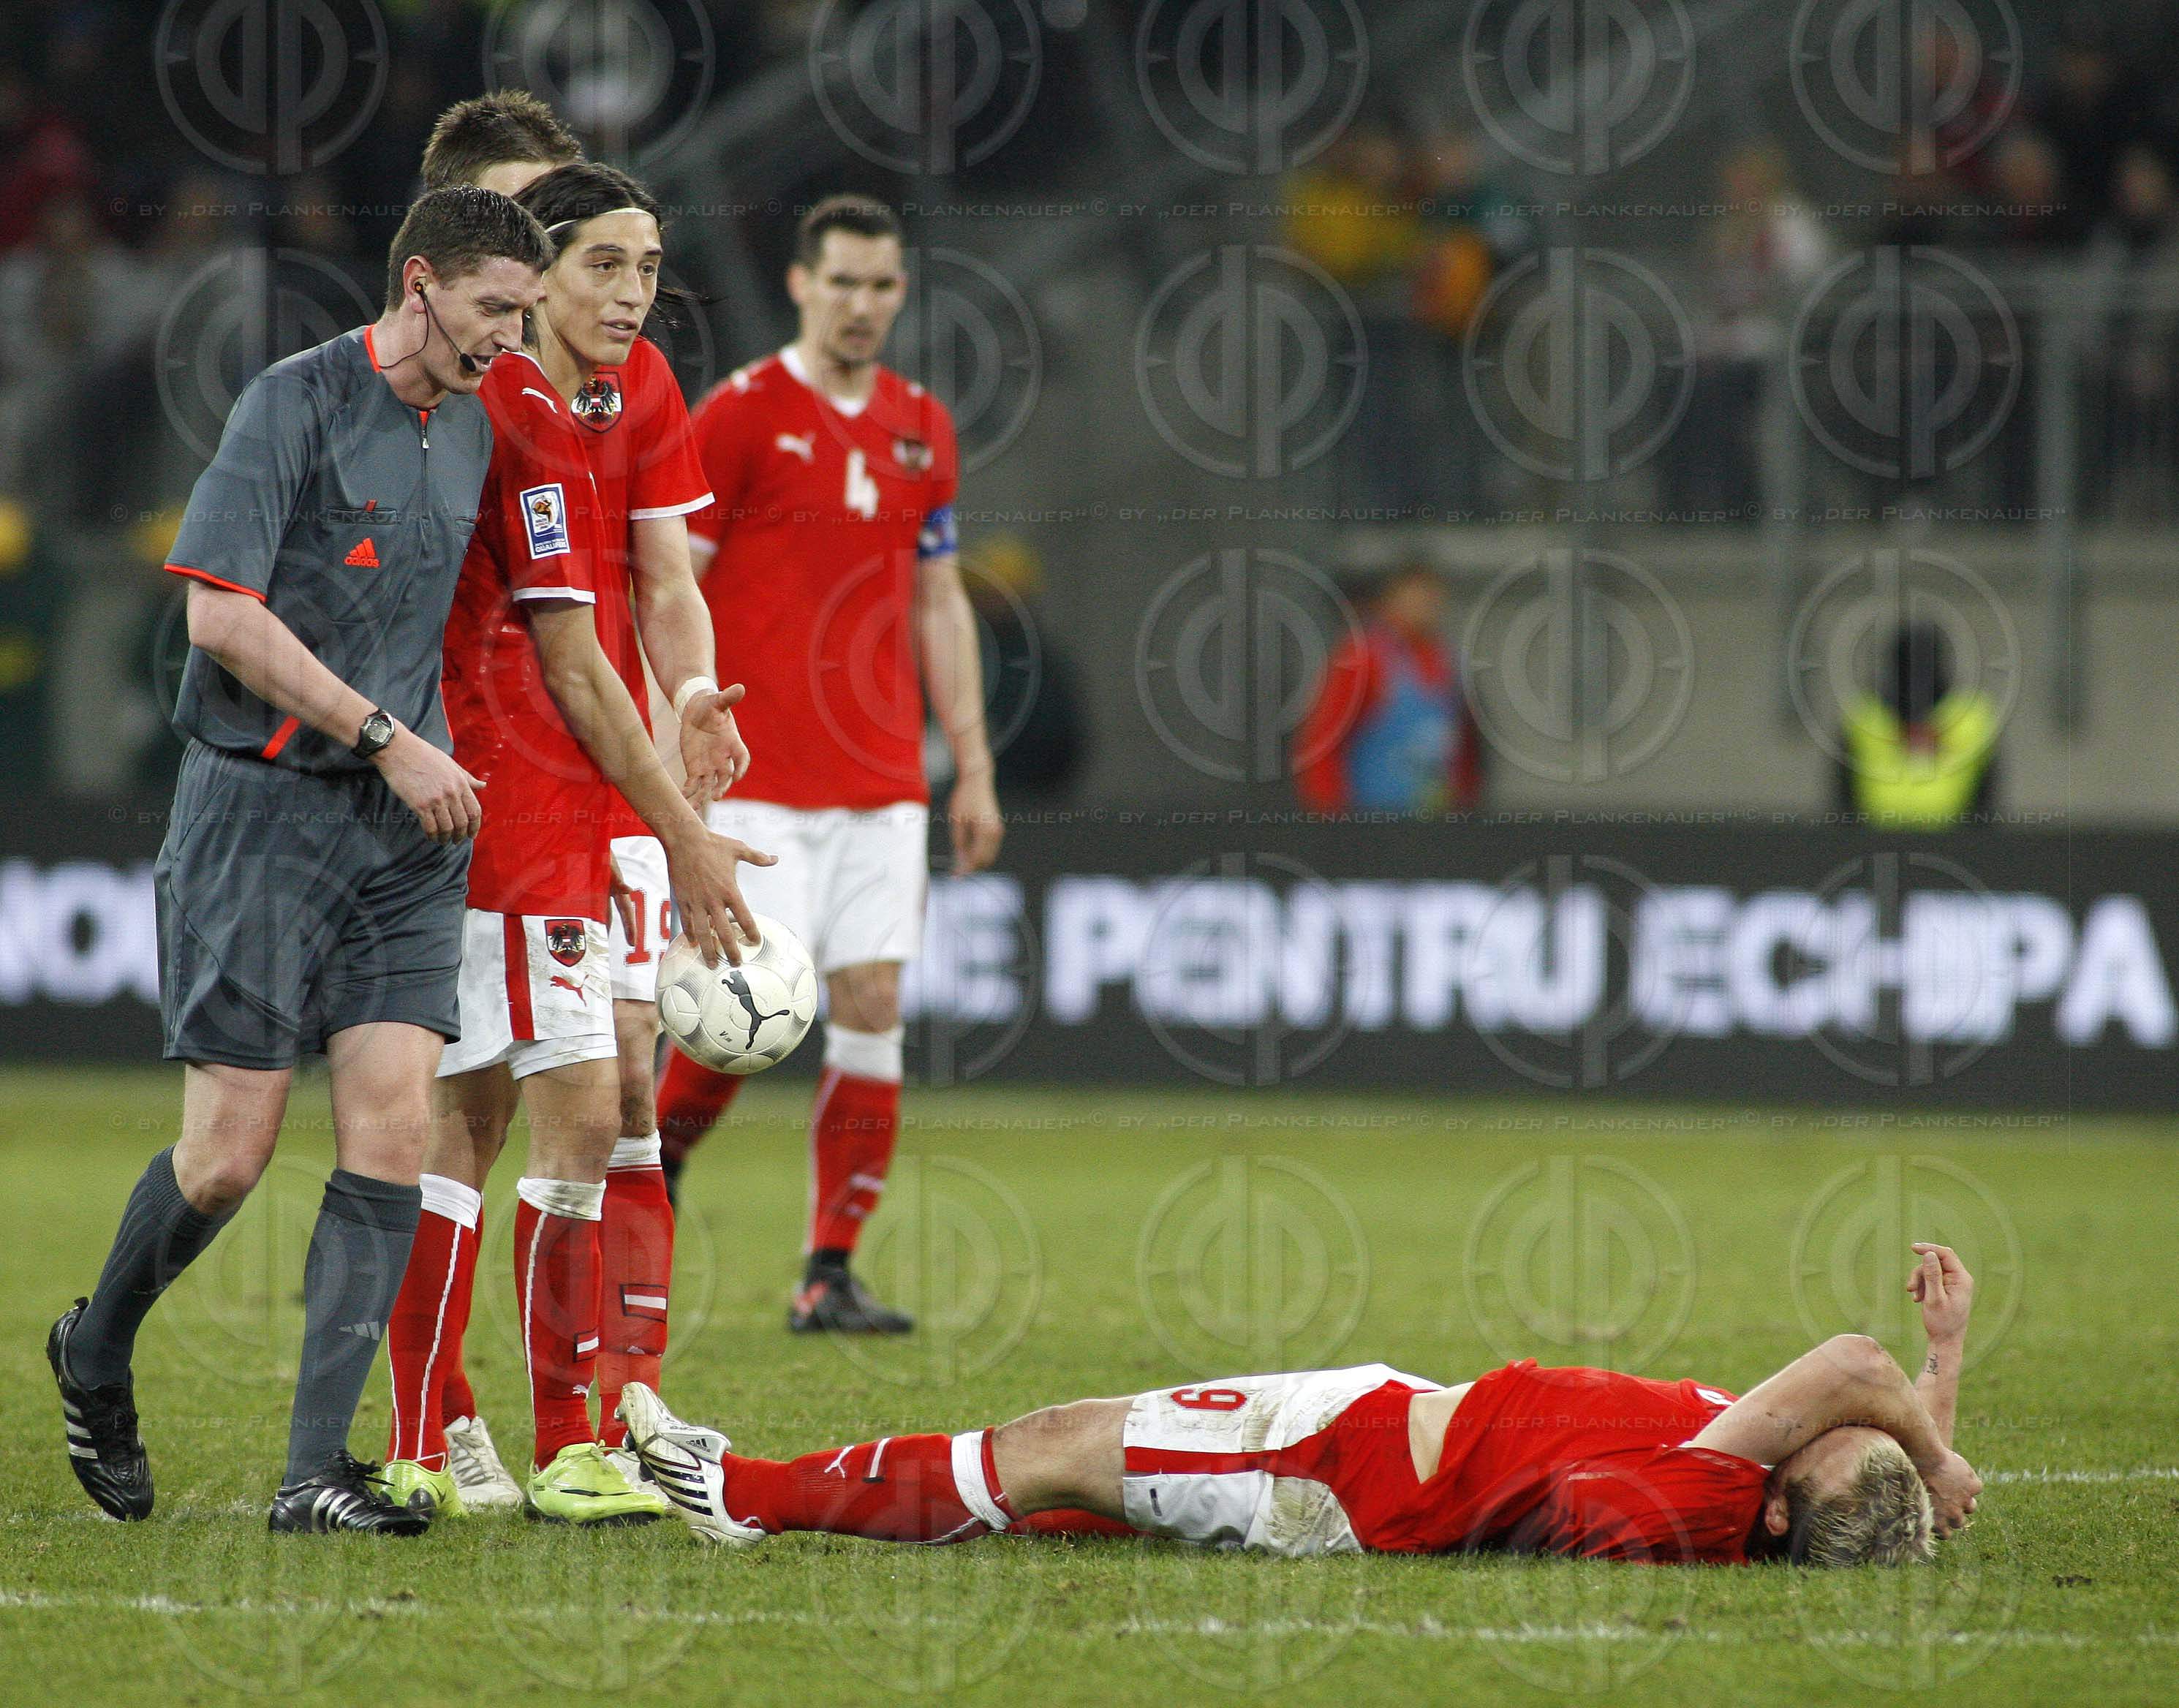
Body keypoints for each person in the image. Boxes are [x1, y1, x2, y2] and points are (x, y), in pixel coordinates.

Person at [48, 186, 551, 1535]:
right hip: (263, 812)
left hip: (407, 834)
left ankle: (313, 1473)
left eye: (525, 315)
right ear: (421, 280)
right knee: (227, 1157)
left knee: (393, 1124)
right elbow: (220, 615)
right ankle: (97, 1344)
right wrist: (388, 735)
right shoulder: (296, 399)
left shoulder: (475, 428)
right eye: (494, 307)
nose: (509, 335)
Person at [379, 162, 771, 1526]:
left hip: (590, 785)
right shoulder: (502, 409)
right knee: (521, 1110)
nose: (631, 293)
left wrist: (691, 703)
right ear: (530, 276)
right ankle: (467, 1428)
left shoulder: (626, 389)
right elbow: (556, 646)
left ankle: (577, 1420)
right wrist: (683, 821)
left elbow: (662, 585)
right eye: (604, 265)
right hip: (516, 792)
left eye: (651, 267)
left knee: (602, 1096)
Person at [622, 1244, 1982, 1568]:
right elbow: (1882, 1413)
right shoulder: (1774, 1477)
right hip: (1362, 1438)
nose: (1851, 1419)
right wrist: (1953, 1360)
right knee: (1078, 1494)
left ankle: (744, 1497)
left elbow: (1857, 1366)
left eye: (1858, 1442)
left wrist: (1929, 1427)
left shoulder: (1719, 1476)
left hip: (1335, 1459)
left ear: (1798, 1483)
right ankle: (816, 1501)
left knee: (1051, 1450)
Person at [654, 194, 1004, 1334]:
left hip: (886, 781)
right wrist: (673, 749)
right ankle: (649, 1172)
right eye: (842, 282)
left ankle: (829, 1272)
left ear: (902, 293)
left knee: (872, 1006)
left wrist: (976, 764)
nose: (862, 304)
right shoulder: (743, 413)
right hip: (755, 776)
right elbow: (670, 590)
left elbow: (940, 603)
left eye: (882, 285)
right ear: (802, 284)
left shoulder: (923, 427)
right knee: (739, 1023)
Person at [1294, 562, 1482, 815]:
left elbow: (1466, 748)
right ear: (1390, 600)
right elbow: (1321, 744)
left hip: (1435, 820)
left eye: (1431, 596)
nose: (1425, 605)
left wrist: (1466, 805)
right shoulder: (1364, 660)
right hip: (1372, 821)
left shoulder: (1448, 662)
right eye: (1415, 596)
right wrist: (1330, 818)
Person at [1835, 621, 1998, 827]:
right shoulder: (1865, 715)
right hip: (1874, 838)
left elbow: (1986, 794)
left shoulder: (1970, 715)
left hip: (1955, 840)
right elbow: (1842, 796)